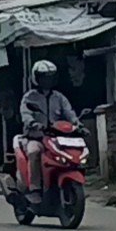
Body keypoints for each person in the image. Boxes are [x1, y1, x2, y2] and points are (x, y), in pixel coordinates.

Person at [14, 61, 76, 196]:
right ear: (37, 78)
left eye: (50, 77)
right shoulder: (29, 97)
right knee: (34, 152)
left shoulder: (59, 97)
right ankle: (35, 188)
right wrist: (33, 123)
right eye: (44, 77)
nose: (47, 80)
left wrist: (77, 124)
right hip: (36, 137)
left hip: (56, 139)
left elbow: (69, 112)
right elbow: (25, 114)